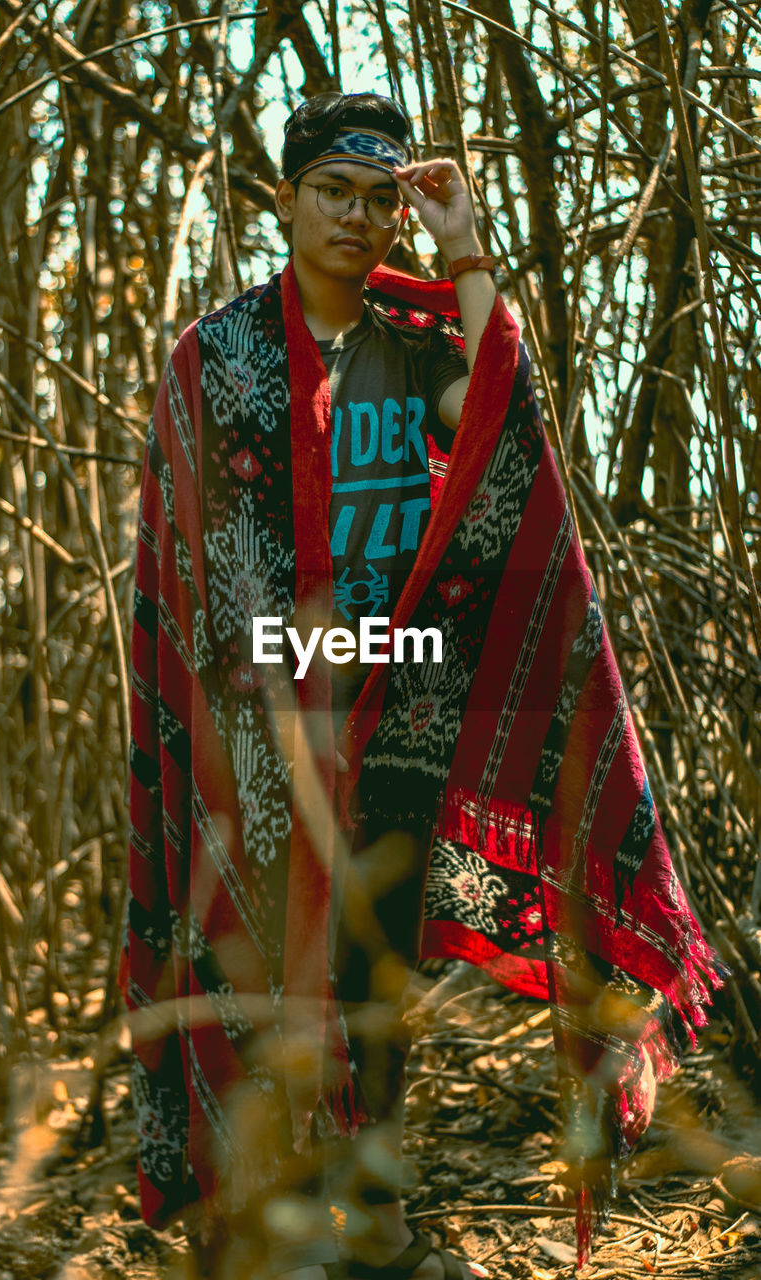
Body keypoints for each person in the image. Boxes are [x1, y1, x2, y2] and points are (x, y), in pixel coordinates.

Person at [122, 93, 722, 1280]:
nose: (355, 216)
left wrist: (463, 249)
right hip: (259, 724)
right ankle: (258, 1193)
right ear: (285, 199)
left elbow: (508, 436)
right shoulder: (218, 353)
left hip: (397, 708)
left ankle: (377, 1197)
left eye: (379, 195)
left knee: (375, 961)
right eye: (331, 190)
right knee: (251, 955)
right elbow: (194, 567)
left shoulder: (425, 342)